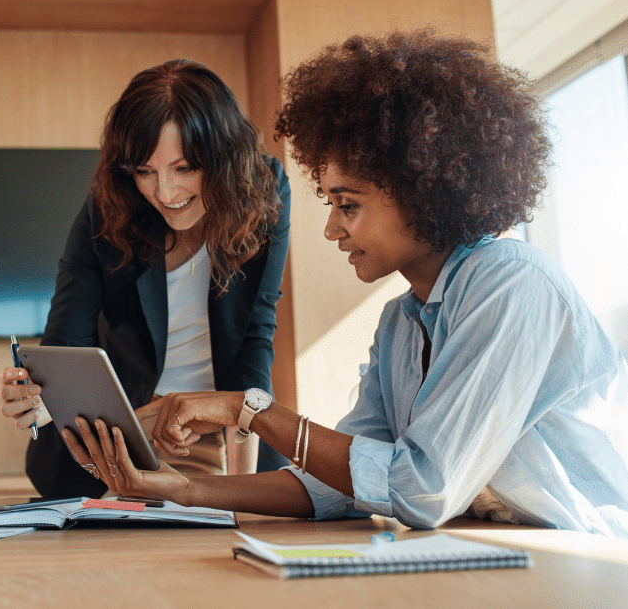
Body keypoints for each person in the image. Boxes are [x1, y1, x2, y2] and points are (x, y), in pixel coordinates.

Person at [61, 31, 628, 537]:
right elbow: (339, 484)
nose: (331, 228)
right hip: (489, 546)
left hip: (577, 554)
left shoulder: (512, 283)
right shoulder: (401, 324)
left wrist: (249, 409)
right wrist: (183, 491)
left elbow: (420, 488)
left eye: (347, 205)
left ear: (421, 189)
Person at [0, 59, 291, 499]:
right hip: (119, 441)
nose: (166, 194)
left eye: (185, 168)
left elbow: (254, 338)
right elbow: (66, 344)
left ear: (225, 158)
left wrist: (242, 491)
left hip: (226, 436)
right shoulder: (108, 207)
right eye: (145, 172)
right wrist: (38, 399)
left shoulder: (263, 192)